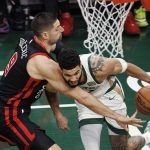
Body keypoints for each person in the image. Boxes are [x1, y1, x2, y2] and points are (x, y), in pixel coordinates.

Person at [0, 12, 144, 150]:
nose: (62, 29)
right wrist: (117, 116)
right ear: (45, 35)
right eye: (57, 28)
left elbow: (62, 50)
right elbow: (82, 96)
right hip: (10, 114)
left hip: (11, 104)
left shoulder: (30, 37)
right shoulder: (44, 65)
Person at [57, 48, 150, 150]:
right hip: (86, 103)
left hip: (111, 96)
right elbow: (50, 91)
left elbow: (127, 67)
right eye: (68, 75)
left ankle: (146, 138)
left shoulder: (98, 66)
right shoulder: (55, 73)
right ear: (61, 70)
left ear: (80, 65)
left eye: (76, 73)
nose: (73, 78)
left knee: (122, 148)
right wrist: (58, 114)